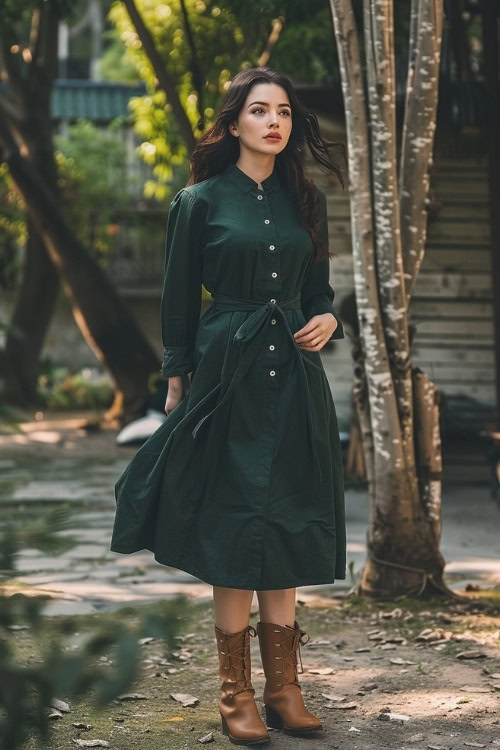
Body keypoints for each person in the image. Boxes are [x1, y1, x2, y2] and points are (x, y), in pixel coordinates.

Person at [110, 66, 347, 745]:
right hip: (226, 372)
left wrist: (329, 321)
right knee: (233, 516)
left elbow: (319, 293)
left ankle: (284, 689)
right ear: (235, 122)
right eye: (259, 110)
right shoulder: (199, 201)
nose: (274, 122)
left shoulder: (308, 201)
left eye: (284, 113)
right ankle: (235, 693)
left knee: (288, 516)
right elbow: (178, 300)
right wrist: (176, 384)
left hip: (296, 379)